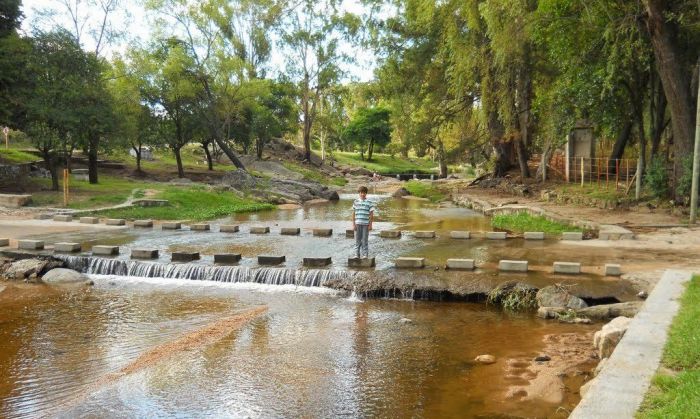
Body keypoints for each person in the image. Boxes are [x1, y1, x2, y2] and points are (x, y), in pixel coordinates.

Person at [352, 186, 376, 258]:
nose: (362, 194)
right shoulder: (355, 202)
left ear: (366, 193)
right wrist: (353, 224)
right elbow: (353, 214)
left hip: (366, 224)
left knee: (365, 240)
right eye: (361, 193)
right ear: (359, 193)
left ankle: (365, 254)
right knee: (357, 240)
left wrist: (370, 225)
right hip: (357, 223)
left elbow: (371, 215)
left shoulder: (369, 202)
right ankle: (357, 254)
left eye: (364, 193)